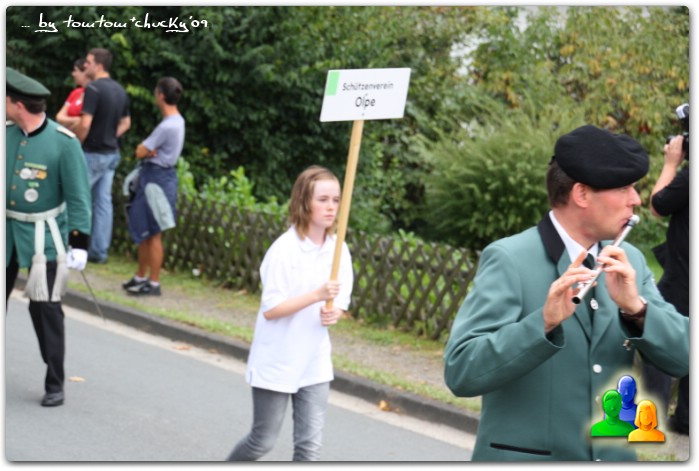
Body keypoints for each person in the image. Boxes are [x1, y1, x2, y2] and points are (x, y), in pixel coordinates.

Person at [443, 125, 689, 461]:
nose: (635, 199)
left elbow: (684, 358)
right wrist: (542, 324)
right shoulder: (510, 258)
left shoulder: (629, 260)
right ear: (581, 194)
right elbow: (461, 372)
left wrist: (638, 310)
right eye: (623, 188)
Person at [226, 166, 353, 461]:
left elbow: (341, 300)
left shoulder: (338, 250)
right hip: (278, 359)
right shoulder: (284, 250)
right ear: (303, 202)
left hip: (315, 361)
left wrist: (335, 313)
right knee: (262, 442)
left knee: (309, 449)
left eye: (336, 200)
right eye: (323, 199)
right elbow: (272, 309)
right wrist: (316, 296)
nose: (331, 207)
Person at [6, 67, 92, 407]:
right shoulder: (6, 134)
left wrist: (80, 243)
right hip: (6, 233)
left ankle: (55, 381)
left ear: (17, 105)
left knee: (45, 311)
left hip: (45, 236)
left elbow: (79, 197)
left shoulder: (63, 143)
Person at [641, 132, 689, 436]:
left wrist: (671, 163)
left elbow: (658, 205)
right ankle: (687, 418)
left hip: (684, 275)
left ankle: (651, 417)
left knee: (657, 333)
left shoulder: (690, 178)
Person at [121, 77, 185, 296]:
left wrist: (147, 150)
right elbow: (146, 150)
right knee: (145, 229)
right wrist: (150, 150)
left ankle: (154, 282)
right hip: (158, 177)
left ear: (161, 95)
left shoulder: (167, 126)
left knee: (154, 232)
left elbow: (140, 151)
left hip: (157, 179)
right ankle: (141, 276)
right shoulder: (178, 121)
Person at [75, 47, 131, 264]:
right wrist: (110, 135)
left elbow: (85, 124)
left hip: (92, 152)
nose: (85, 65)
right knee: (103, 203)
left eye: (88, 62)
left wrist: (75, 144)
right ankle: (99, 251)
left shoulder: (94, 89)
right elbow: (126, 123)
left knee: (77, 198)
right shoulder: (120, 90)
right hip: (112, 153)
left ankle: (70, 245)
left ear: (98, 66)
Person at [55, 58, 90, 131]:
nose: (73, 74)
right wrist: (76, 119)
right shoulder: (76, 92)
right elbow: (59, 117)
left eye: (75, 70)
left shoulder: (94, 94)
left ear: (85, 73)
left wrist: (68, 121)